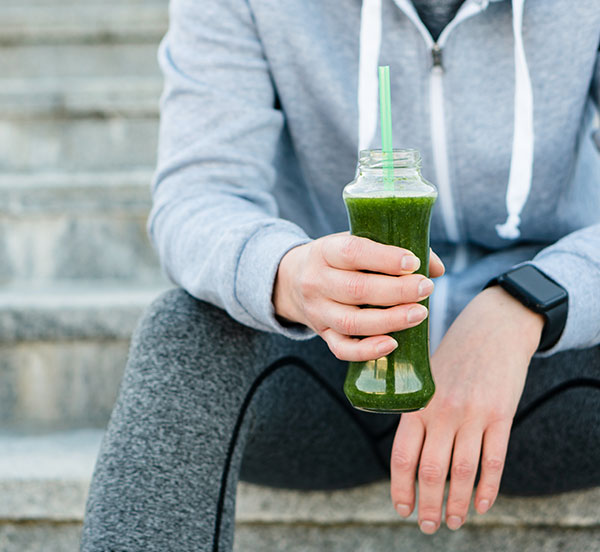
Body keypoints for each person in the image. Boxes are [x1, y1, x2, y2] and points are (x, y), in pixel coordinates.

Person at [80, 0, 600, 550]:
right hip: (327, 373)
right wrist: (289, 273)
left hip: (541, 378)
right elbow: (198, 195)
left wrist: (528, 305)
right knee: (183, 329)